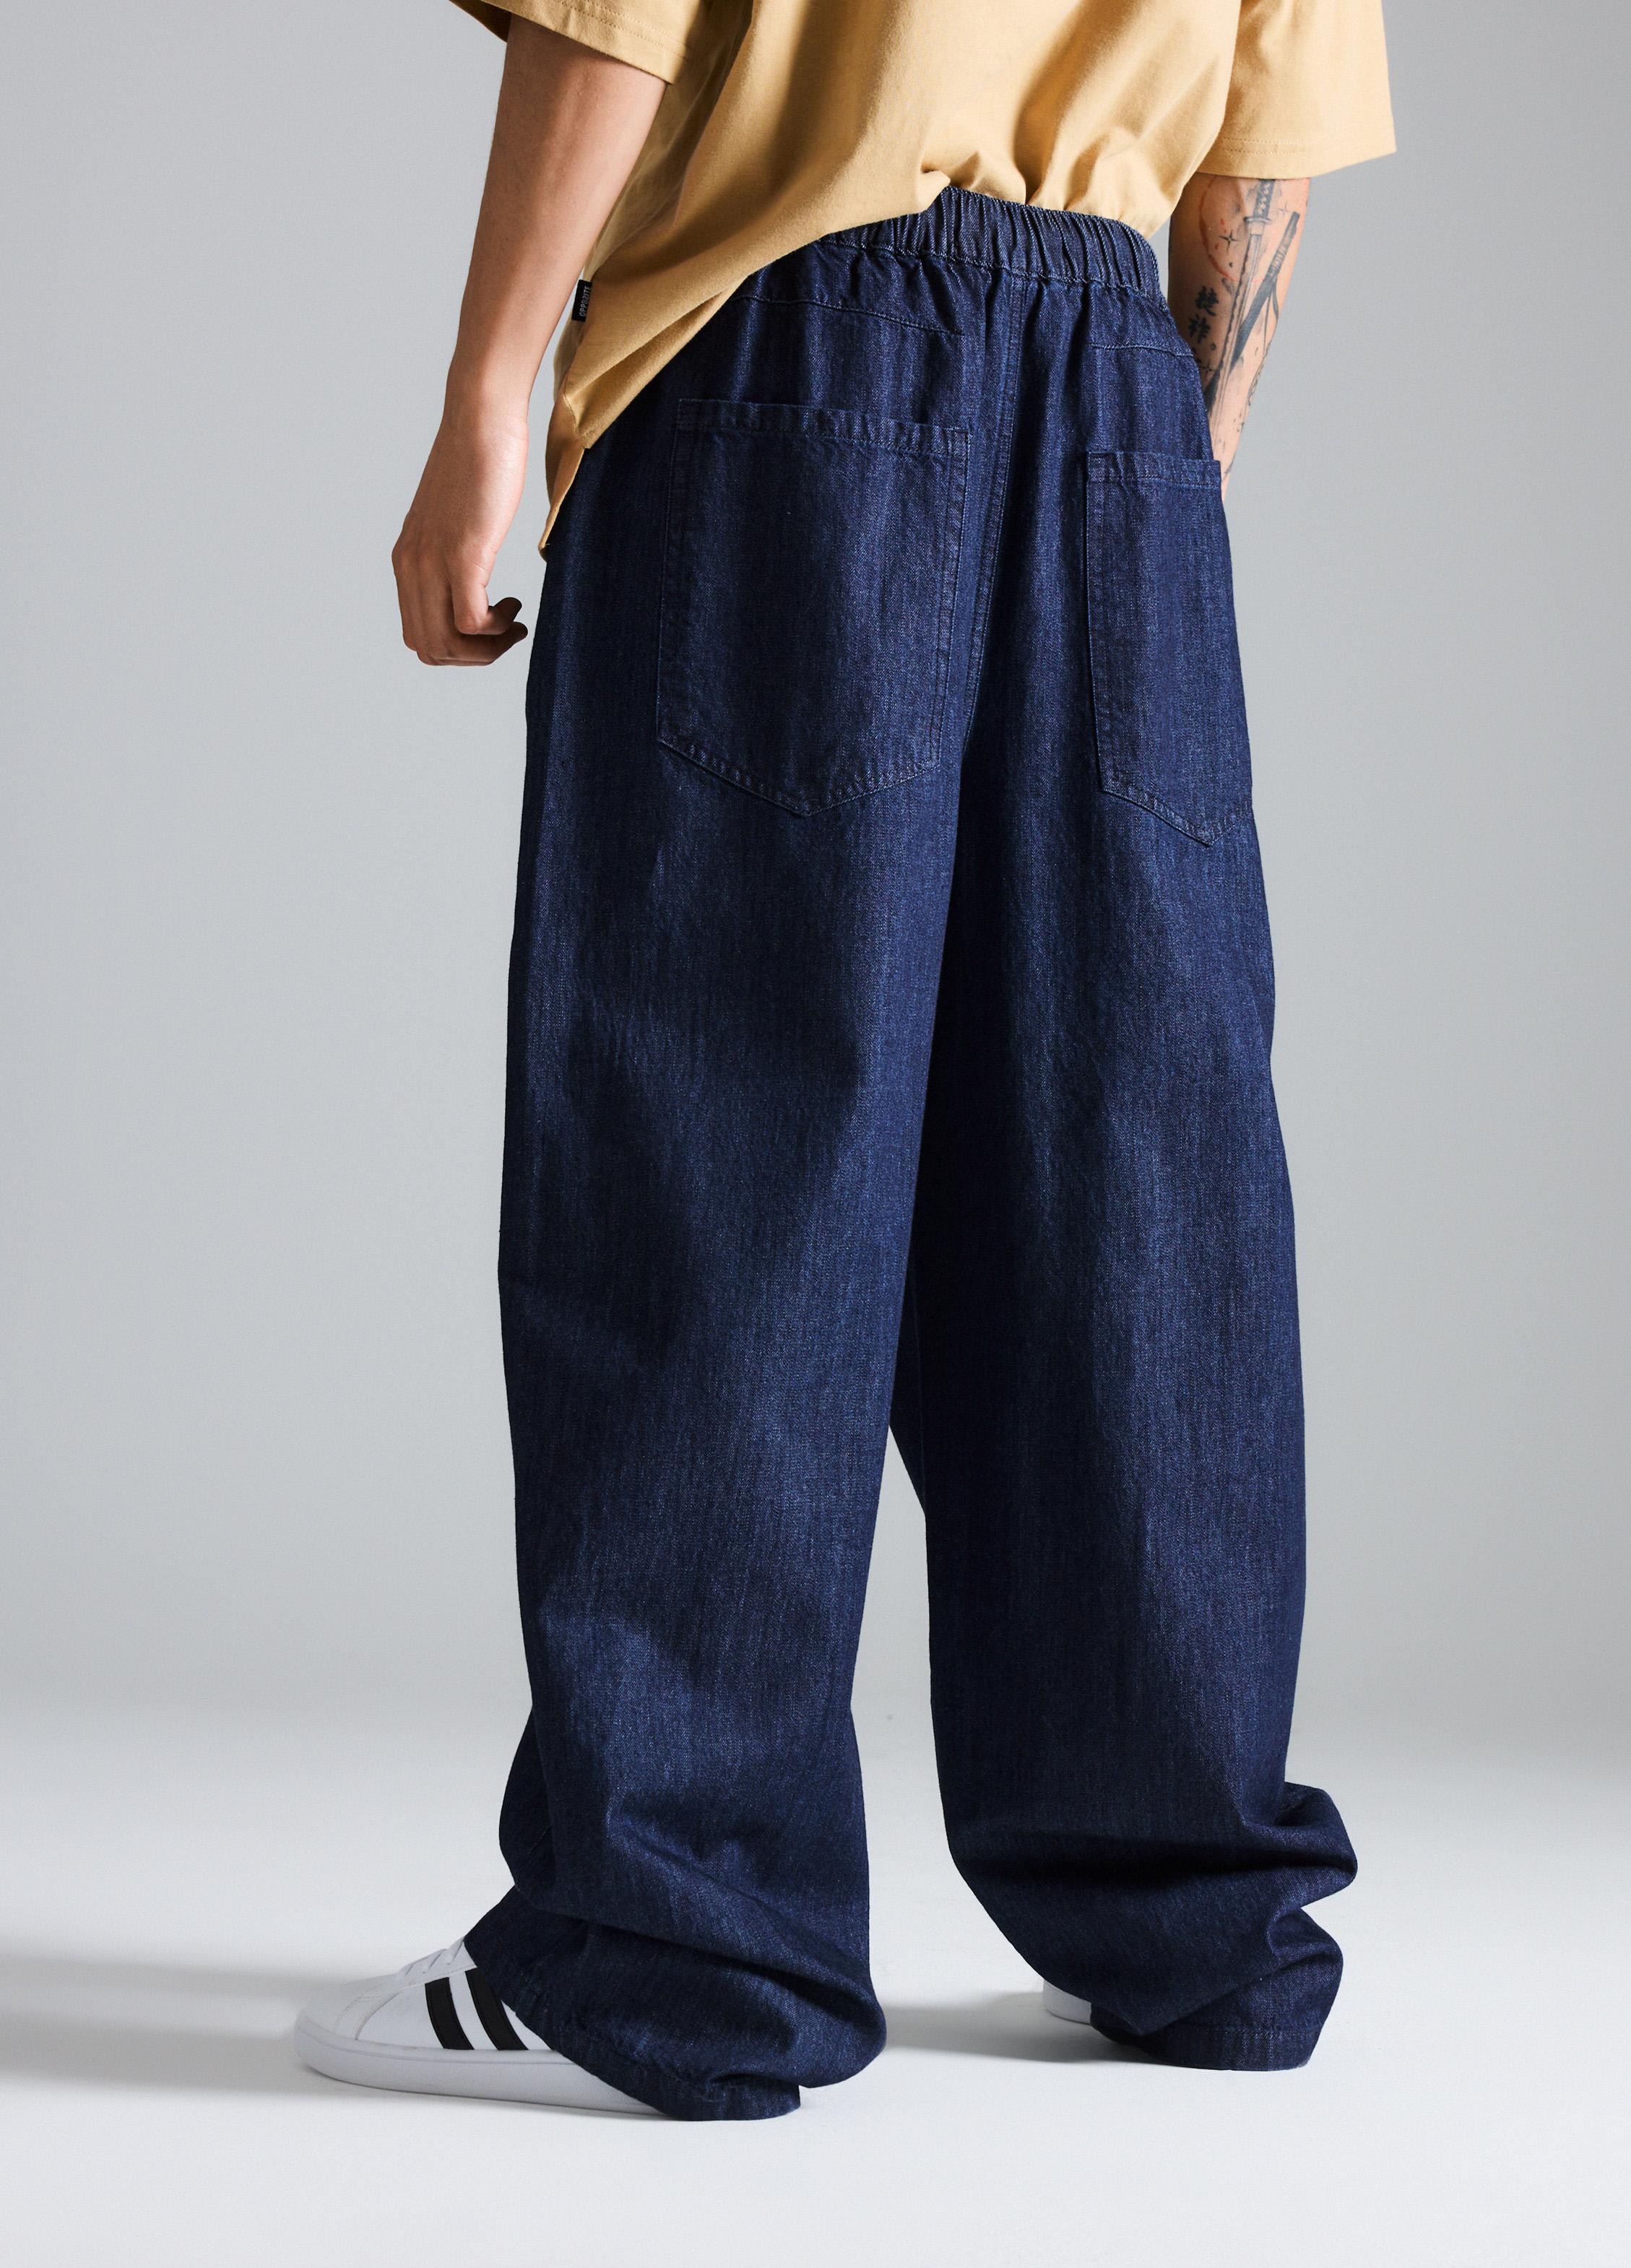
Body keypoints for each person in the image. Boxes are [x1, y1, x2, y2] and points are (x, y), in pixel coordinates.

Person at [295, 0, 1394, 2121]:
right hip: (1125, 405)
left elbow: (617, 21)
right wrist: (1145, 471)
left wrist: (486, 397)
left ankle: (675, 1956)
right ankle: (1189, 1926)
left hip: (790, 362)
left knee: (724, 1148)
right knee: (1126, 1173)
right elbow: (1258, 160)